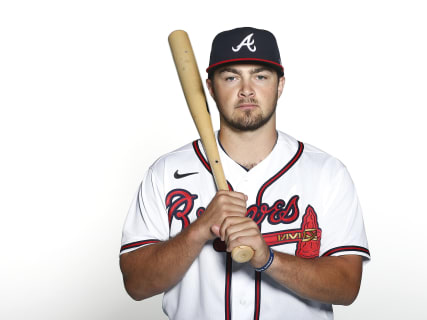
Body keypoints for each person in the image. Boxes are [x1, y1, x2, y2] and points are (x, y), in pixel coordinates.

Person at [120, 27, 370, 320]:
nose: (247, 90)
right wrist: (199, 230)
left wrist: (268, 259)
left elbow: (346, 286)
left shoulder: (327, 173)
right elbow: (136, 284)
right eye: (231, 77)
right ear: (210, 88)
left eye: (260, 76)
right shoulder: (166, 172)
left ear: (280, 85)